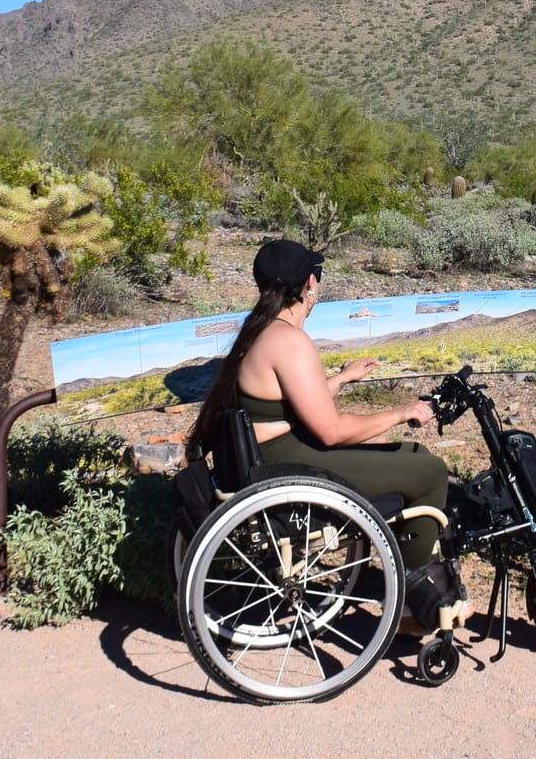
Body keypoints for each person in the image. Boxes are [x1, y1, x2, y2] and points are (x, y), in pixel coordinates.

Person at [185, 238, 449, 572]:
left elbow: (285, 403)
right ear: (310, 284)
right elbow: (331, 432)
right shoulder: (290, 341)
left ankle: (396, 562)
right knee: (431, 472)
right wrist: (402, 412)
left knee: (415, 455)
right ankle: (414, 596)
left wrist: (341, 379)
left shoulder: (257, 332)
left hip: (269, 458)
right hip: (286, 462)